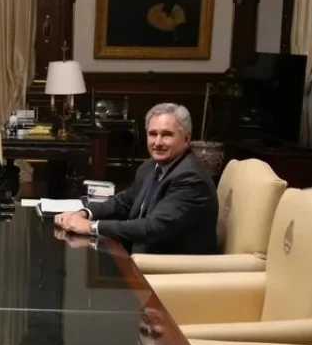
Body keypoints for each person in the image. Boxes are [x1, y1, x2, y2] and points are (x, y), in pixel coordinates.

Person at [54, 102, 218, 255]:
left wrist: (91, 227)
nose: (158, 142)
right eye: (152, 134)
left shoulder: (191, 178)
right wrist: (84, 213)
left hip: (170, 267)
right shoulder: (149, 167)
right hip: (138, 254)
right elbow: (124, 202)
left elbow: (153, 227)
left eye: (166, 135)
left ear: (186, 139)